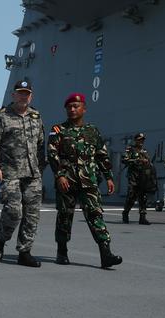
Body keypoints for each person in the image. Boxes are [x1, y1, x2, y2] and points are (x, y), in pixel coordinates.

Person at [47, 93, 122, 268]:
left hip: (89, 180)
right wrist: (60, 175)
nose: (72, 109)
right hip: (67, 181)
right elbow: (52, 154)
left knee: (95, 214)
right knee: (65, 215)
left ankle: (106, 254)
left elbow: (101, 155)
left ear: (84, 108)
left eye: (76, 106)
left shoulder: (92, 131)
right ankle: (62, 251)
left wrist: (109, 177)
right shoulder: (58, 130)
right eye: (69, 107)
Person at [0, 80, 45, 268]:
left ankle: (25, 252)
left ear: (31, 96)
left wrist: (40, 168)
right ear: (13, 95)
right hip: (10, 172)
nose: (23, 96)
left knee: (32, 214)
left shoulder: (36, 117)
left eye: (27, 93)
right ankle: (0, 241)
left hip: (33, 174)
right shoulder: (2, 116)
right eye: (20, 93)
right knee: (13, 211)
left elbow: (40, 145)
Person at [121, 133, 156, 224]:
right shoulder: (130, 149)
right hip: (133, 176)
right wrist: (137, 160)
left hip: (143, 177)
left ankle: (142, 217)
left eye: (143, 140)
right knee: (131, 196)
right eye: (140, 140)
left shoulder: (144, 151)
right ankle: (125, 213)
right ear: (136, 140)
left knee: (143, 197)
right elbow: (124, 160)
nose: (141, 141)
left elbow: (148, 162)